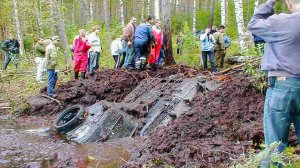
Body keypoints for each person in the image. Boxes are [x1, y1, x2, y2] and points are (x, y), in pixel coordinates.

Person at [247, 0, 300, 167]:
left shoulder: (282, 21)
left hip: (283, 85)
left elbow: (254, 24)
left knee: (274, 145)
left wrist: (270, 2)